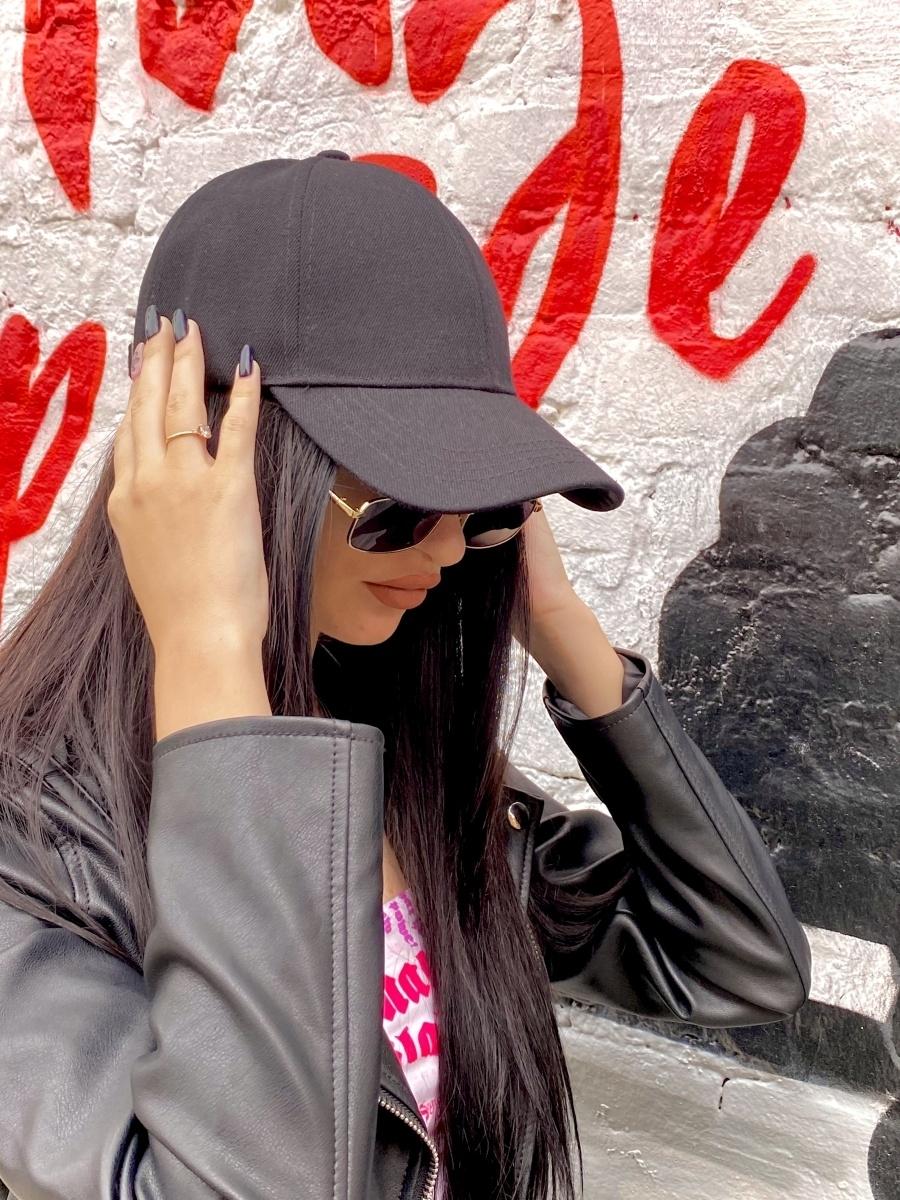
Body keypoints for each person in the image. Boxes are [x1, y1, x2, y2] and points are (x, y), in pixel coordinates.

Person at [0, 153, 811, 1200]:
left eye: (481, 511)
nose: (445, 554)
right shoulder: (37, 852)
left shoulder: (390, 771)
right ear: (208, 475)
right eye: (397, 511)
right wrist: (206, 643)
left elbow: (739, 961)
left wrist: (560, 623)